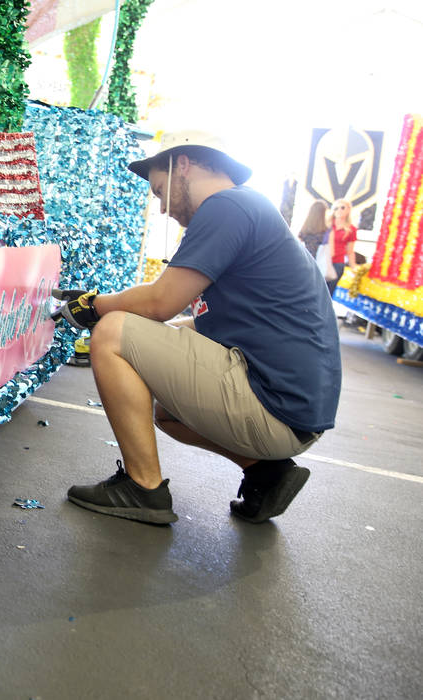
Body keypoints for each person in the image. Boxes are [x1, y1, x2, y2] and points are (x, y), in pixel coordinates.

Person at [52, 131, 341, 525]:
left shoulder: (227, 207)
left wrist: (96, 305)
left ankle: (143, 489)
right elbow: (196, 321)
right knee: (168, 413)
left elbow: (160, 302)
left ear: (182, 164)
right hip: (292, 412)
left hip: (274, 406)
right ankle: (266, 471)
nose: (162, 208)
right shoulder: (249, 208)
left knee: (112, 332)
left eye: (159, 191)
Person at [327, 198, 358, 296]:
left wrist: (354, 267)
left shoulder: (351, 229)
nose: (339, 210)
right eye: (336, 208)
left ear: (348, 210)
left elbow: (350, 251)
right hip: (323, 260)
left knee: (328, 293)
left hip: (337, 263)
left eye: (342, 207)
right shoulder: (327, 225)